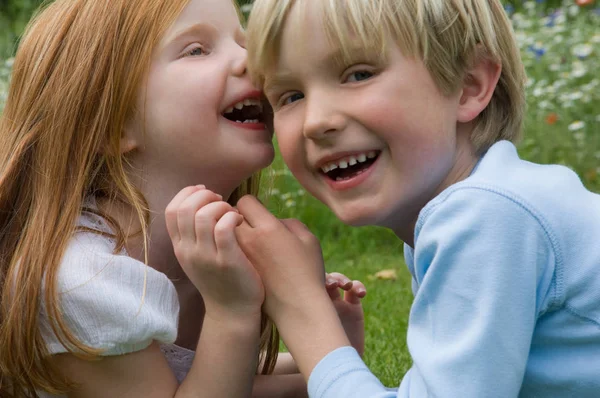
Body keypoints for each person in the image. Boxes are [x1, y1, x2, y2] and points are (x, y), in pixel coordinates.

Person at [231, 0, 600, 397]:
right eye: (289, 96)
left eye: (358, 74)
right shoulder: (483, 205)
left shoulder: (487, 215)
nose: (317, 120)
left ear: (468, 85)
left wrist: (302, 310)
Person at [0, 0, 365, 396]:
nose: (251, 62)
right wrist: (232, 313)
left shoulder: (209, 249)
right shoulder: (82, 280)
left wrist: (330, 345)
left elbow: (222, 377)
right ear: (112, 125)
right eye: (197, 50)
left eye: (246, 43)